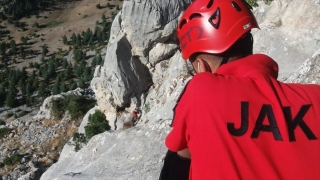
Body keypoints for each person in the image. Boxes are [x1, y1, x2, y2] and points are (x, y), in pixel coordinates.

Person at [161, 0, 320, 179]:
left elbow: (178, 159)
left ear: (201, 66)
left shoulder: (201, 91)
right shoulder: (315, 98)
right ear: (249, 41)